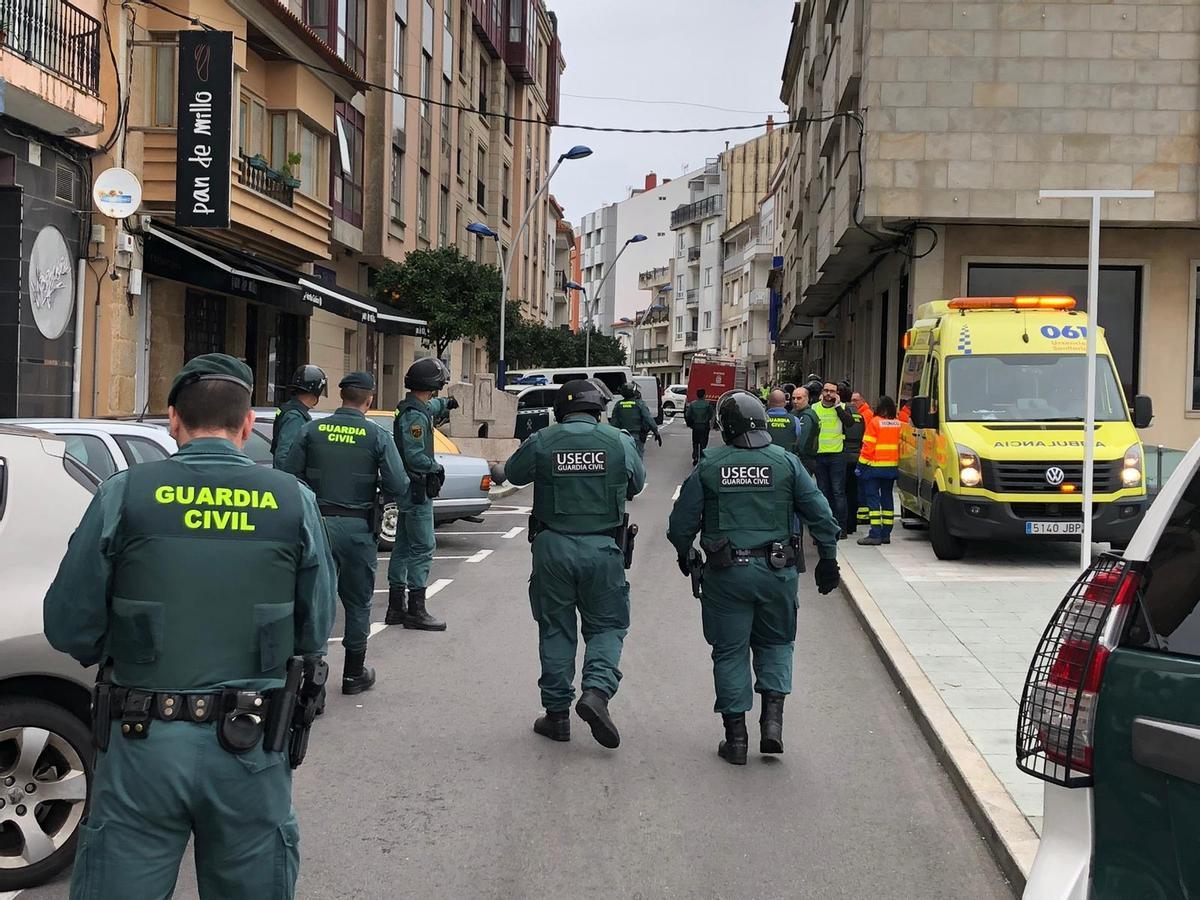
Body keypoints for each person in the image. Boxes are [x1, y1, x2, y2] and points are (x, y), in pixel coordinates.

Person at [43, 353, 337, 899]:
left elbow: (67, 625)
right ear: (248, 425)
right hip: (251, 747)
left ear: (173, 420)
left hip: (141, 746)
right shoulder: (293, 502)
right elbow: (315, 627)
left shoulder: (124, 494)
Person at [667, 390, 841, 765]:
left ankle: (736, 740)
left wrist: (687, 554)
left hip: (726, 576)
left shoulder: (711, 466)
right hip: (777, 573)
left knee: (729, 652)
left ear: (725, 427)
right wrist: (828, 558)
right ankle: (772, 726)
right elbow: (822, 516)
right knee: (777, 644)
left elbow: (680, 524)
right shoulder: (787, 463)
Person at [504, 379, 646, 748]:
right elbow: (638, 483)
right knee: (607, 627)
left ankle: (556, 717)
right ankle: (597, 692)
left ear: (560, 410)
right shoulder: (618, 441)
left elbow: (512, 473)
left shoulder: (544, 440)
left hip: (552, 548)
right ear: (599, 409)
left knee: (556, 629)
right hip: (603, 549)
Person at [284, 372, 409, 694]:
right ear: (368, 400)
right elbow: (399, 483)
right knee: (357, 602)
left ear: (341, 397)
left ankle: (312, 683)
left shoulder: (310, 429)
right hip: (356, 529)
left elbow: (287, 475)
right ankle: (354, 675)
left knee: (312, 600)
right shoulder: (375, 434)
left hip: (315, 526)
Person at [386, 358, 459, 631]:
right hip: (417, 489)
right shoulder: (415, 416)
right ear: (432, 384)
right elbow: (416, 455)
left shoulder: (412, 408)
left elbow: (430, 407)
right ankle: (416, 609)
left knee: (404, 546)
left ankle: (396, 607)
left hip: (407, 488)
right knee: (423, 547)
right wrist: (436, 466)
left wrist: (447, 404)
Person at [857, 395, 903, 546]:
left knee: (873, 499)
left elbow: (868, 447)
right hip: (891, 468)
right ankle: (886, 534)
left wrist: (860, 466)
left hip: (874, 468)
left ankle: (874, 534)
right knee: (887, 499)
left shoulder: (875, 422)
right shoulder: (898, 424)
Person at [812, 381, 856, 538]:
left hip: (837, 455)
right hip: (819, 455)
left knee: (838, 492)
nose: (829, 394)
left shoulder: (843, 408)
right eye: (826, 390)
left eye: (832, 391)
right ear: (822, 392)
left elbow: (850, 423)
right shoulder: (814, 408)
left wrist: (838, 407)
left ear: (837, 394)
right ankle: (826, 526)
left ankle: (841, 528)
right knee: (823, 492)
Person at [271, 364, 327, 468]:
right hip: (290, 481)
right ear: (317, 390)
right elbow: (283, 456)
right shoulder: (295, 417)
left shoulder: (289, 409)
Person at [838, 382, 872, 536]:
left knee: (841, 492)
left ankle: (843, 525)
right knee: (853, 492)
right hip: (857, 456)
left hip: (843, 456)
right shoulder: (860, 415)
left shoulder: (841, 415)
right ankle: (852, 525)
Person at [609, 382, 662, 459]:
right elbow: (649, 419)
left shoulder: (618, 405)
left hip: (622, 436)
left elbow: (614, 423)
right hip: (637, 437)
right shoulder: (639, 404)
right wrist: (656, 432)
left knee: (624, 458)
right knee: (638, 459)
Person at [790, 385, 820, 473]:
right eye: (793, 398)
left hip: (804, 459)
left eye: (799, 398)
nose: (795, 401)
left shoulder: (807, 416)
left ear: (807, 399)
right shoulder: (795, 412)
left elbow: (802, 441)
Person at [684, 388, 714, 465]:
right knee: (703, 443)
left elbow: (687, 415)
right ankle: (702, 458)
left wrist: (690, 423)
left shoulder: (693, 404)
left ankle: (695, 457)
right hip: (704, 426)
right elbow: (712, 415)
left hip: (695, 426)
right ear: (704, 395)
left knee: (695, 442)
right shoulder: (708, 404)